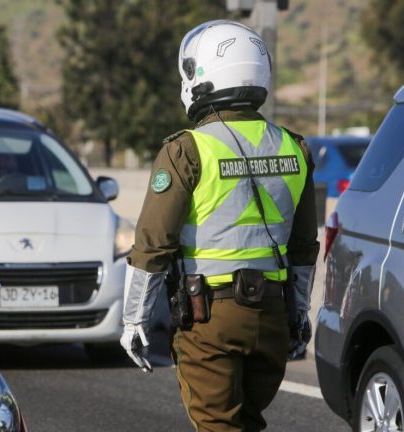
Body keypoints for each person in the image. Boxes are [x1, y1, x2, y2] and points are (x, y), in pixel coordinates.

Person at [120, 20, 319, 432]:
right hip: (273, 315)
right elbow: (304, 246)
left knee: (217, 425)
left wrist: (134, 319)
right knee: (246, 421)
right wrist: (299, 313)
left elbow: (153, 243)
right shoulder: (294, 147)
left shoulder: (187, 149)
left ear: (201, 74)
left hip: (210, 317)